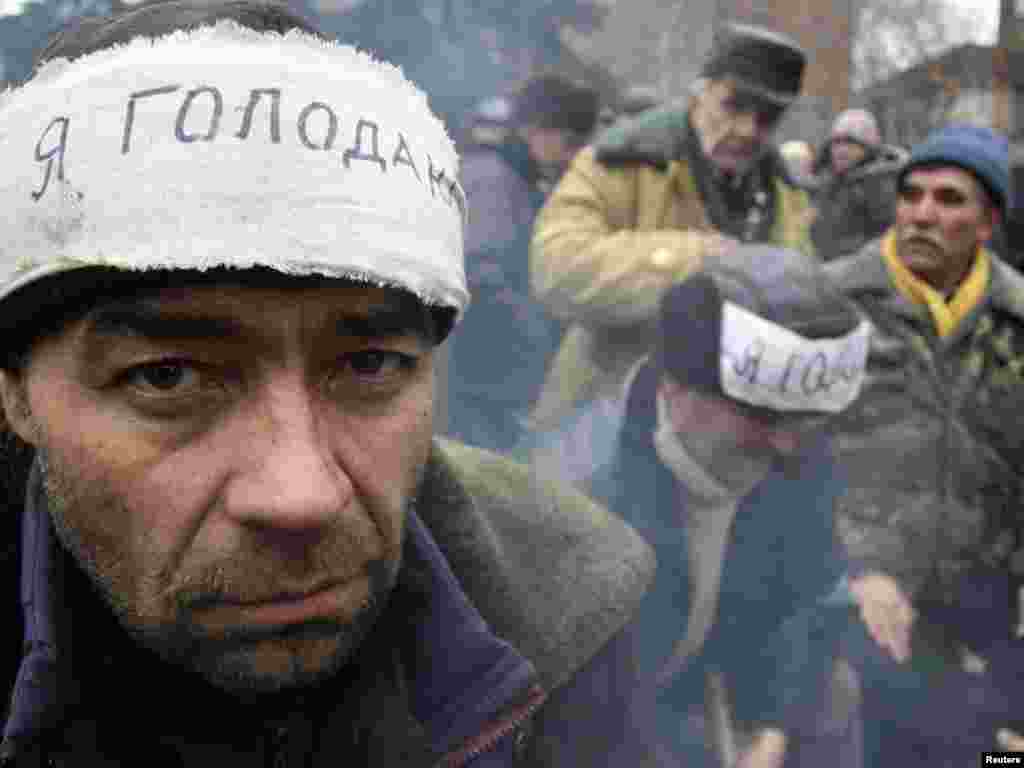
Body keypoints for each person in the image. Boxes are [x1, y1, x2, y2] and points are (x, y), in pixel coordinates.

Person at [0, 2, 657, 764]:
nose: (302, 493)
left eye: (370, 364)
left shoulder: (565, 612)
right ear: (14, 391)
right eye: (167, 377)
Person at [598, 244, 869, 768]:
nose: (787, 443)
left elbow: (802, 604)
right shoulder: (584, 488)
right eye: (760, 415)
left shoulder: (800, 457)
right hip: (613, 711)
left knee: (834, 692)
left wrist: (770, 727)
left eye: (801, 420)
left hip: (721, 685)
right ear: (674, 388)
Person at [527, 22, 815, 489]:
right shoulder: (621, 160)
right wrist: (699, 260)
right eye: (735, 105)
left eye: (766, 118)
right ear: (700, 93)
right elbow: (555, 267)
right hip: (602, 424)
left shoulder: (786, 193)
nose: (747, 129)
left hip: (725, 451)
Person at [824, 123, 1024, 764]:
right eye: (911, 195)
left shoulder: (1017, 320)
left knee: (996, 757)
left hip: (987, 614)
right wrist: (851, 572)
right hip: (856, 609)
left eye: (949, 199)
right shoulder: (828, 304)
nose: (921, 214)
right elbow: (782, 463)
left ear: (988, 222)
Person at [445, 74, 598, 454]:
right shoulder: (494, 182)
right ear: (535, 129)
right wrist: (540, 342)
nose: (574, 155)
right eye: (570, 142)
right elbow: (484, 284)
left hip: (485, 376)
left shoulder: (510, 175)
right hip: (482, 380)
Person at [811, 108, 907, 261]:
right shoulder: (829, 182)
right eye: (836, 143)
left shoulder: (882, 184)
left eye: (851, 144)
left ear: (869, 149)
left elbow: (889, 241)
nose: (841, 151)